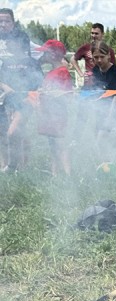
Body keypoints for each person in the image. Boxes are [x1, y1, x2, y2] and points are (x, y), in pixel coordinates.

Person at [0, 8, 42, 173]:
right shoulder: (6, 63)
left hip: (22, 101)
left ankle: (20, 168)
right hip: (5, 99)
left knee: (17, 132)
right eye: (0, 21)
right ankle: (6, 167)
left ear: (13, 22)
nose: (3, 24)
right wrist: (5, 87)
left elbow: (44, 58)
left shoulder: (24, 41)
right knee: (3, 134)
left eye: (6, 21)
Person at [36, 39, 73, 176]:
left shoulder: (62, 71)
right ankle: (55, 174)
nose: (43, 56)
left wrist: (49, 94)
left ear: (53, 54)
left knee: (61, 145)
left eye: (45, 53)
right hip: (49, 114)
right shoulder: (51, 72)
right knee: (53, 146)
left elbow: (66, 94)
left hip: (57, 114)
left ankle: (67, 175)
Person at [91, 41, 116, 167]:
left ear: (108, 55)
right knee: (99, 142)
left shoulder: (115, 72)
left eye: (102, 56)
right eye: (96, 57)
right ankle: (106, 167)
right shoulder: (95, 70)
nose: (99, 60)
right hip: (102, 110)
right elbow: (96, 92)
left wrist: (109, 119)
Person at [70, 23, 116, 89]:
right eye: (92, 33)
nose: (93, 35)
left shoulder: (109, 50)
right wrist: (81, 74)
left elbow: (113, 69)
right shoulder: (85, 47)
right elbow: (73, 59)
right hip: (88, 86)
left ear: (102, 34)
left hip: (103, 87)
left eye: (96, 33)